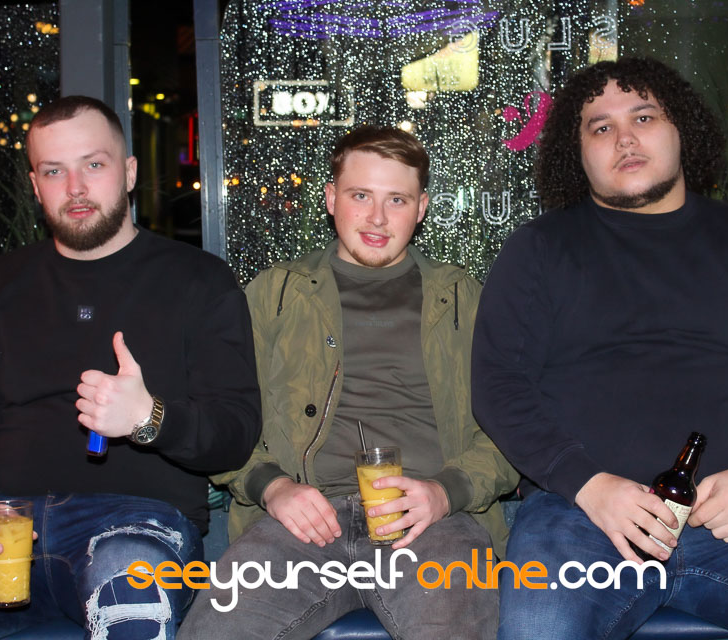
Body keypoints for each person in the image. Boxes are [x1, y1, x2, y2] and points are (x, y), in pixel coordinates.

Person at [471, 57, 728, 639]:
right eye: (601, 127)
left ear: (681, 128)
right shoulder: (538, 250)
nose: (625, 138)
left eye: (644, 117)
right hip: (581, 517)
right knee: (541, 630)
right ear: (576, 152)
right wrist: (589, 485)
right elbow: (498, 385)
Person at [0, 95, 262, 639]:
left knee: (131, 601)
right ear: (35, 186)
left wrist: (149, 418)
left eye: (93, 164)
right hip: (0, 526)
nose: (75, 188)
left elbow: (235, 434)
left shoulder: (199, 281)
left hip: (137, 524)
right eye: (54, 171)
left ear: (129, 173)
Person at [179, 126, 518, 639]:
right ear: (331, 198)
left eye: (397, 200)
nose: (377, 218)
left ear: (422, 208)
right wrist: (272, 487)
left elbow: (513, 428)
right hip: (301, 523)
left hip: (432, 526)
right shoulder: (277, 294)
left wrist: (445, 493)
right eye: (361, 195)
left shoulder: (462, 299)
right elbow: (220, 416)